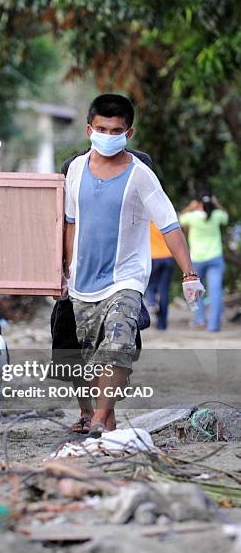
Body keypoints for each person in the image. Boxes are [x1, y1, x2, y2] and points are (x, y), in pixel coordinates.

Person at [63, 94, 203, 437]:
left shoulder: (141, 176)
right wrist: (64, 269)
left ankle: (98, 420)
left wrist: (189, 273)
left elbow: (169, 224)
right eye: (101, 128)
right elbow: (69, 222)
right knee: (89, 355)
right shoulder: (76, 170)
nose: (108, 136)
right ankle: (106, 419)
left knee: (118, 341)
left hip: (126, 278)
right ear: (88, 129)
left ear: (129, 133)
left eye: (116, 130)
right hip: (82, 281)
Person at [53, 146, 154, 434]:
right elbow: (61, 225)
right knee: (72, 350)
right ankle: (88, 412)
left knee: (114, 346)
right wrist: (56, 273)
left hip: (118, 280)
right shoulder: (73, 166)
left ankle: (103, 415)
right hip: (77, 282)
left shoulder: (139, 165)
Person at [179, 190, 228, 331]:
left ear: (198, 202)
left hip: (197, 259)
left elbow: (179, 219)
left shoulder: (192, 217)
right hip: (215, 258)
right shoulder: (217, 215)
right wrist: (216, 203)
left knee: (195, 291)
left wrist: (190, 206)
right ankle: (213, 325)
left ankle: (200, 320)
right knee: (216, 292)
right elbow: (225, 216)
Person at [146, 222, 175, 330]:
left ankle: (152, 302)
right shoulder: (166, 221)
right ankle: (162, 324)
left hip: (153, 257)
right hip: (168, 257)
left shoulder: (147, 222)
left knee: (150, 285)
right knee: (164, 290)